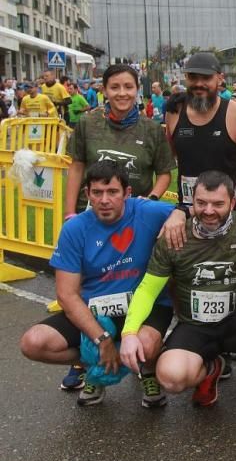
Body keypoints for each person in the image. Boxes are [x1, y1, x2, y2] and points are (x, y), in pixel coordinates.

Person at [119, 171, 236, 406]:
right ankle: (212, 367)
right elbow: (148, 290)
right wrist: (129, 333)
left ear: (232, 203)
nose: (209, 211)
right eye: (201, 203)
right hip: (195, 325)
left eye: (218, 204)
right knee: (171, 379)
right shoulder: (175, 237)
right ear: (192, 202)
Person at [19, 161, 187, 405]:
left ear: (127, 194)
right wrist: (101, 340)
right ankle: (96, 368)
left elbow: (196, 210)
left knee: (147, 347)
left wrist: (179, 213)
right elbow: (66, 295)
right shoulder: (74, 229)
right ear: (88, 194)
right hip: (94, 310)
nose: (104, 200)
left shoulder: (146, 211)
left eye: (112, 192)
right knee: (33, 343)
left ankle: (147, 369)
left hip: (145, 307)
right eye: (97, 193)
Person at [64, 64, 174, 219]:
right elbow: (76, 168)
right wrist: (69, 213)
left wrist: (151, 199)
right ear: (104, 91)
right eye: (115, 87)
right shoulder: (87, 123)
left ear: (137, 89)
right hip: (90, 215)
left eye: (128, 87)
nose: (122, 93)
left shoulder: (152, 129)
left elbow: (164, 173)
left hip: (135, 217)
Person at [166, 52, 236, 210]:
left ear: (220, 78)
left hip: (230, 214)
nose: (199, 84)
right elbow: (167, 155)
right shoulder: (174, 112)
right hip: (189, 210)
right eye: (193, 77)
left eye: (206, 78)